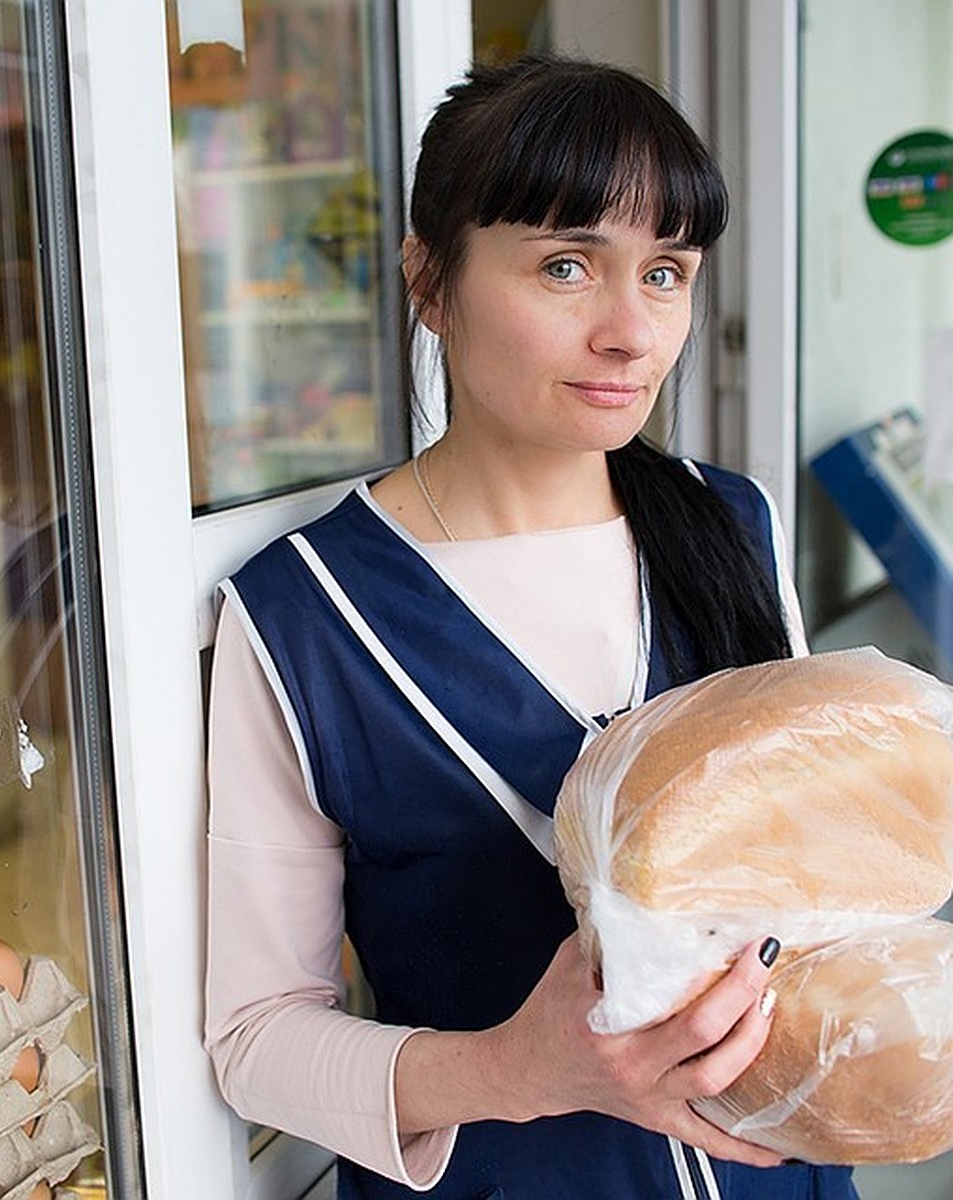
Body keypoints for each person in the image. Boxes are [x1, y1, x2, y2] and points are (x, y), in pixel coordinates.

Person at [205, 54, 858, 1200]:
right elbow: (256, 1039)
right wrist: (515, 1068)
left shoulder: (730, 523)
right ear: (428, 279)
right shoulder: (301, 617)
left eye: (666, 273)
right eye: (567, 266)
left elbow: (806, 882)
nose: (632, 333)